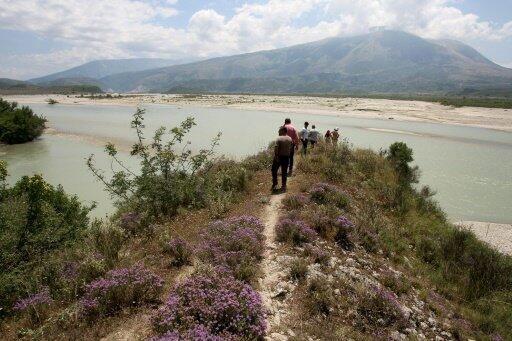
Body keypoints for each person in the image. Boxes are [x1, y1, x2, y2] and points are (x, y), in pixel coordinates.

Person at [271, 126, 293, 193]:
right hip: (286, 157)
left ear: (283, 131)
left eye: (279, 130)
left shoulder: (279, 138)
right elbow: (291, 148)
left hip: (279, 157)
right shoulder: (290, 138)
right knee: (284, 172)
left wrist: (276, 156)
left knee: (274, 170)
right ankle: (284, 186)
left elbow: (276, 148)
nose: (278, 132)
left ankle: (275, 184)